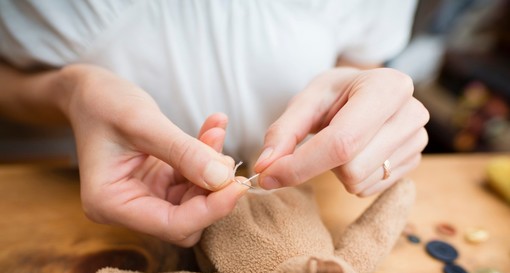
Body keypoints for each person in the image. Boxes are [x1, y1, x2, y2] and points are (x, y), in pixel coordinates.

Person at [0, 0, 428, 247]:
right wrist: (68, 92)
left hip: (310, 208)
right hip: (68, 211)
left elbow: (360, 56)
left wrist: (360, 94)